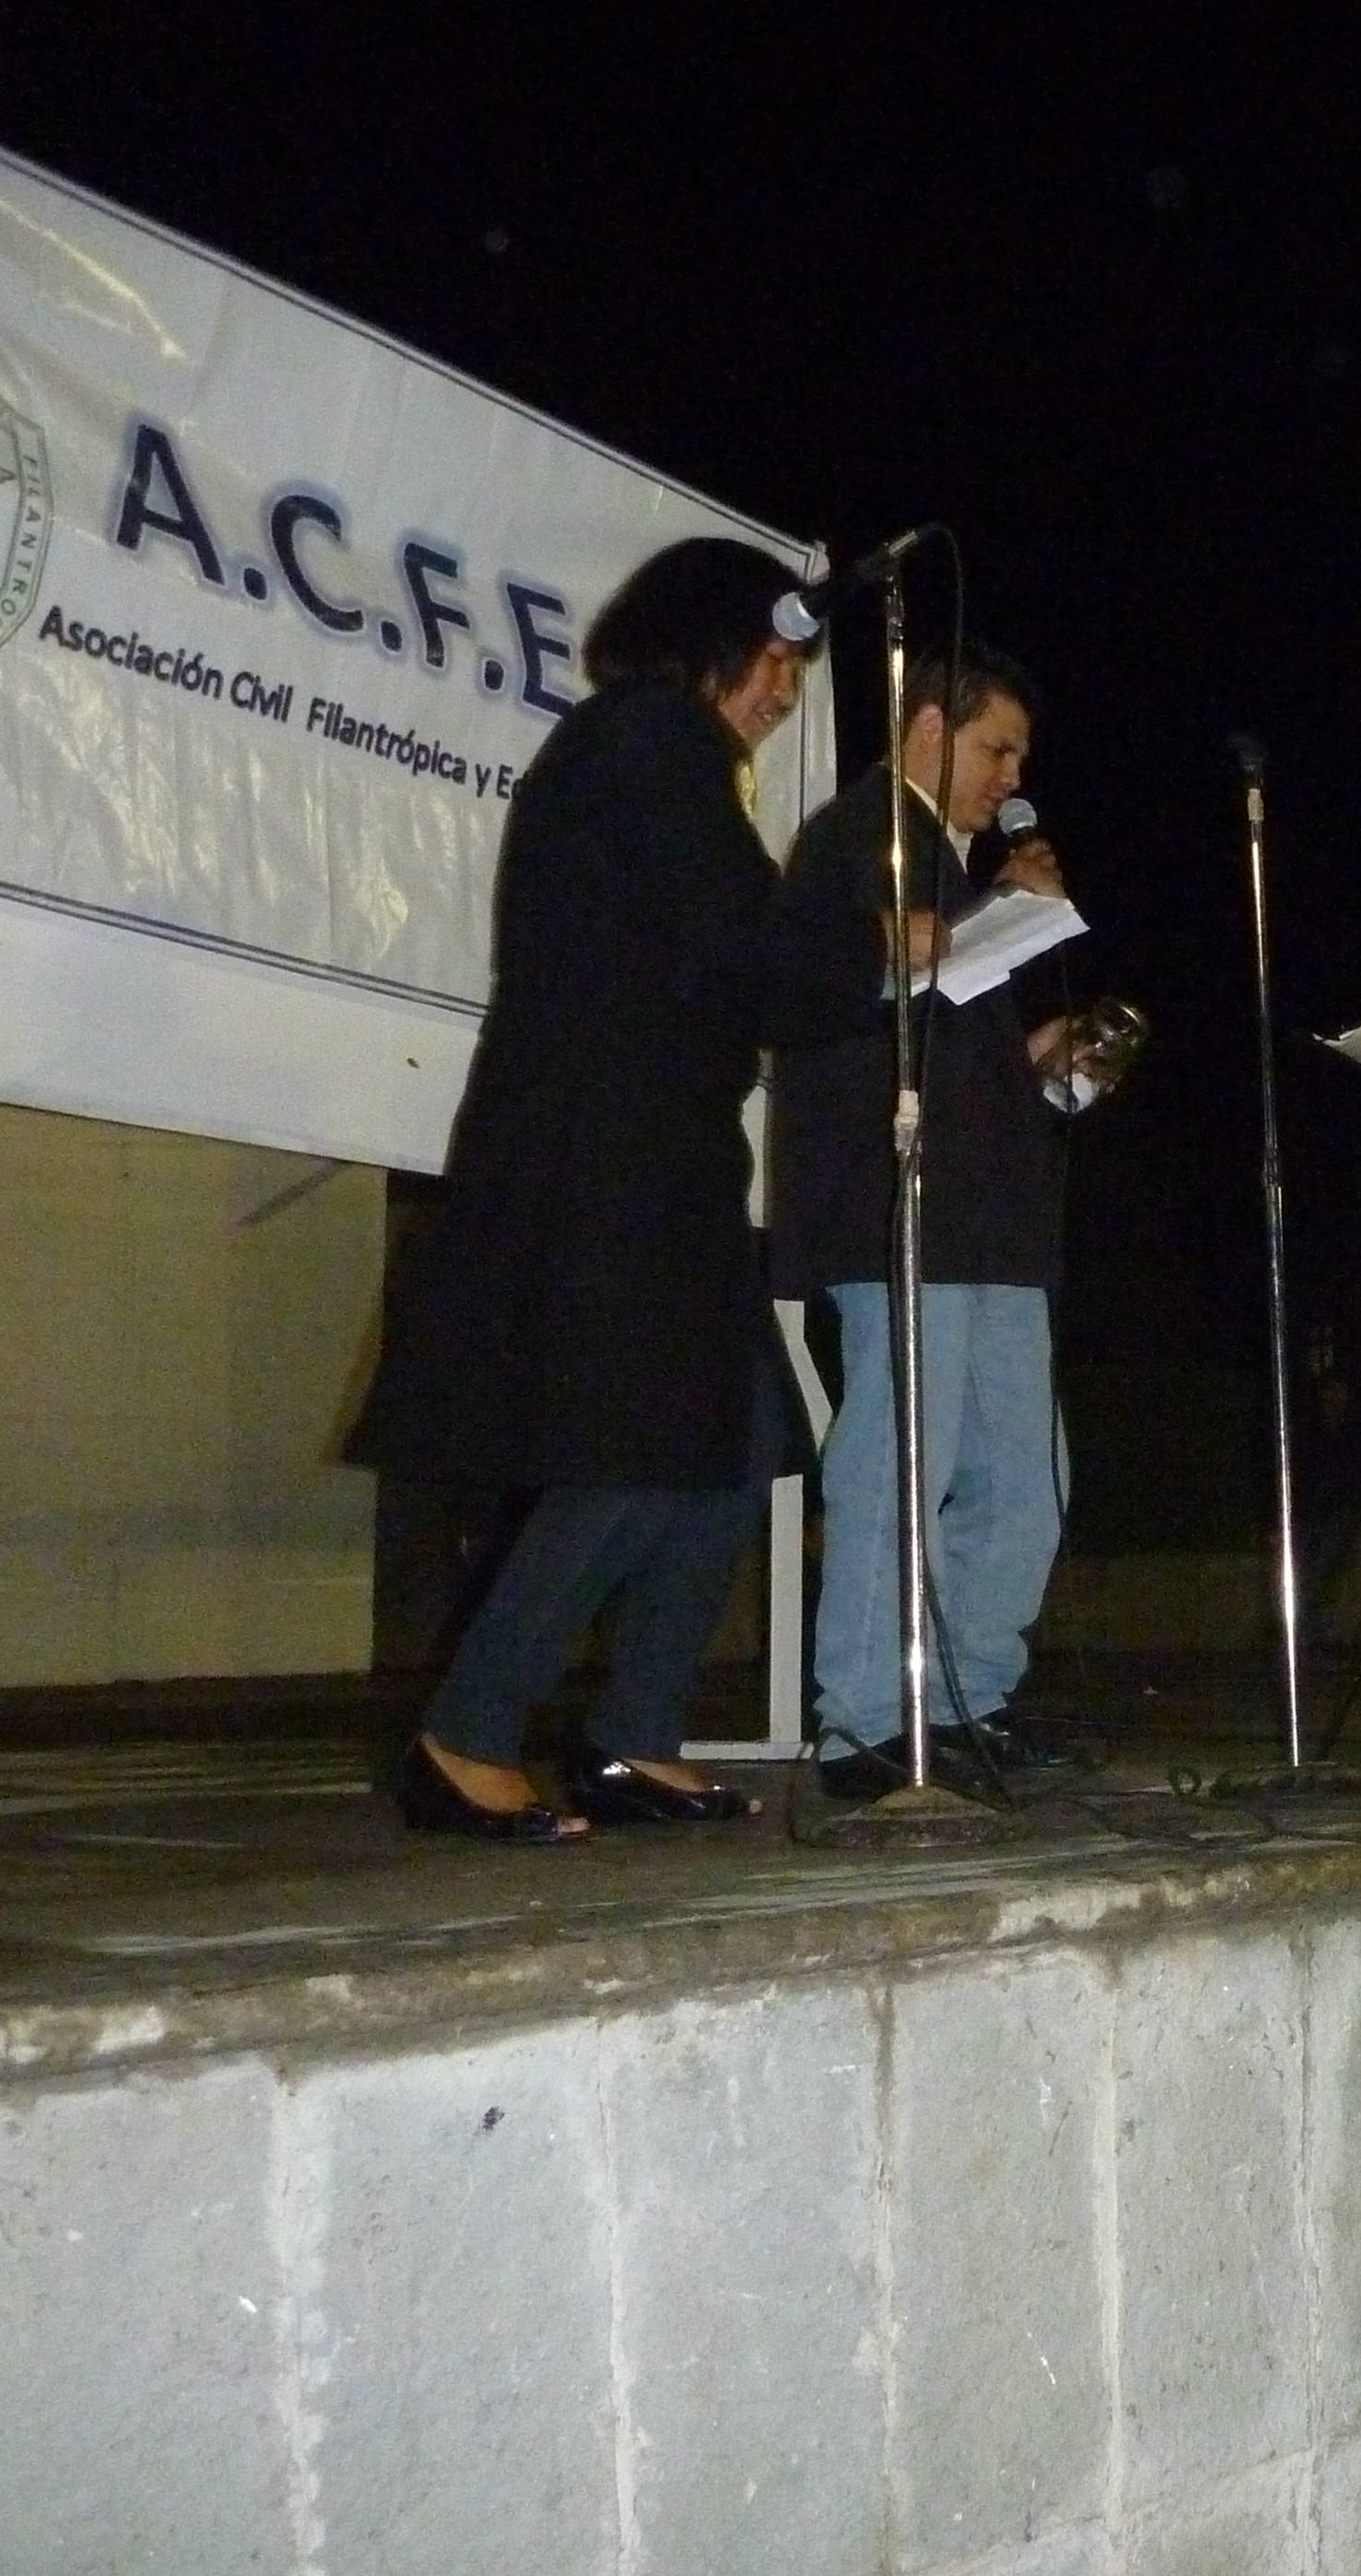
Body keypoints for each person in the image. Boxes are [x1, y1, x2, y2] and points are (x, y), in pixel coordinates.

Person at [352, 536, 882, 1838]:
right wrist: (876, 944)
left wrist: (850, 960)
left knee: (731, 1437)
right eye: (776, 659)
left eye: (800, 670)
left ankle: (633, 1734)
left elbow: (740, 959)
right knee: (640, 1443)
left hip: (655, 1152)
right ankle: (465, 1733)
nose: (786, 691)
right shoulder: (649, 740)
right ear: (709, 639)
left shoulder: (655, 755)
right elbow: (746, 947)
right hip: (608, 1152)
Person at [767, 650, 1111, 1801]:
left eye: (1019, 756)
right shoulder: (859, 842)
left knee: (1023, 1477)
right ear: (926, 728)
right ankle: (865, 1720)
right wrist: (981, 920)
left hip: (989, 1220)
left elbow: (945, 1045)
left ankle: (969, 1696)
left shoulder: (952, 872)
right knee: (899, 1464)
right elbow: (821, 997)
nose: (1011, 777)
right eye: (994, 749)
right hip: (900, 1210)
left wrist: (1043, 1061)